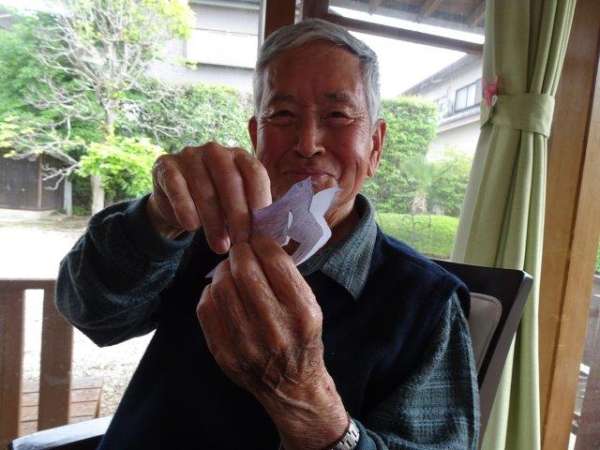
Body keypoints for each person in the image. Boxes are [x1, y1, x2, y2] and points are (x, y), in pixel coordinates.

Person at [57, 19, 479, 450]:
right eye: (282, 115)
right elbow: (90, 313)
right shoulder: (204, 234)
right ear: (255, 136)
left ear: (375, 146)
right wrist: (157, 218)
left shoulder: (424, 301)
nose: (308, 143)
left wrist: (307, 402)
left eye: (337, 114)